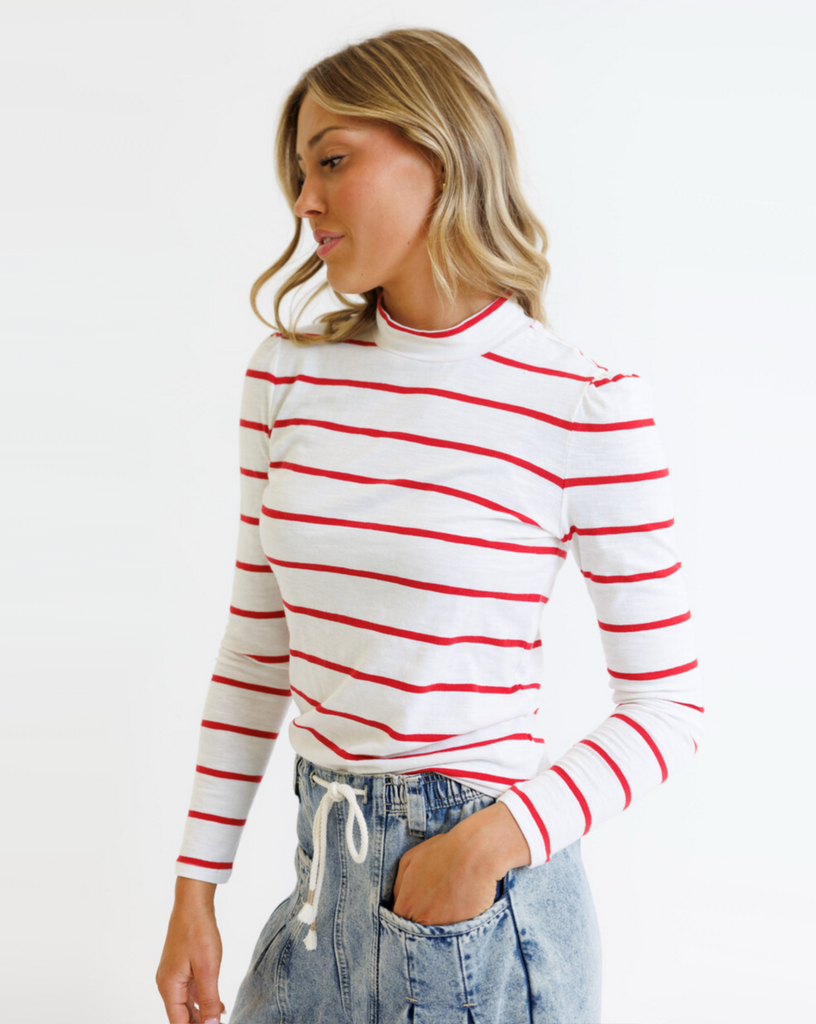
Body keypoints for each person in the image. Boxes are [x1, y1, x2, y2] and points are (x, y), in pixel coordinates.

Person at [156, 26, 703, 1024]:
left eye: (331, 161)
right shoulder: (286, 381)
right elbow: (257, 645)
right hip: (318, 890)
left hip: (479, 905)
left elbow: (670, 706)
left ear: (440, 153)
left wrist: (488, 843)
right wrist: (196, 883)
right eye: (298, 172)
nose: (304, 201)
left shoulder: (581, 401)